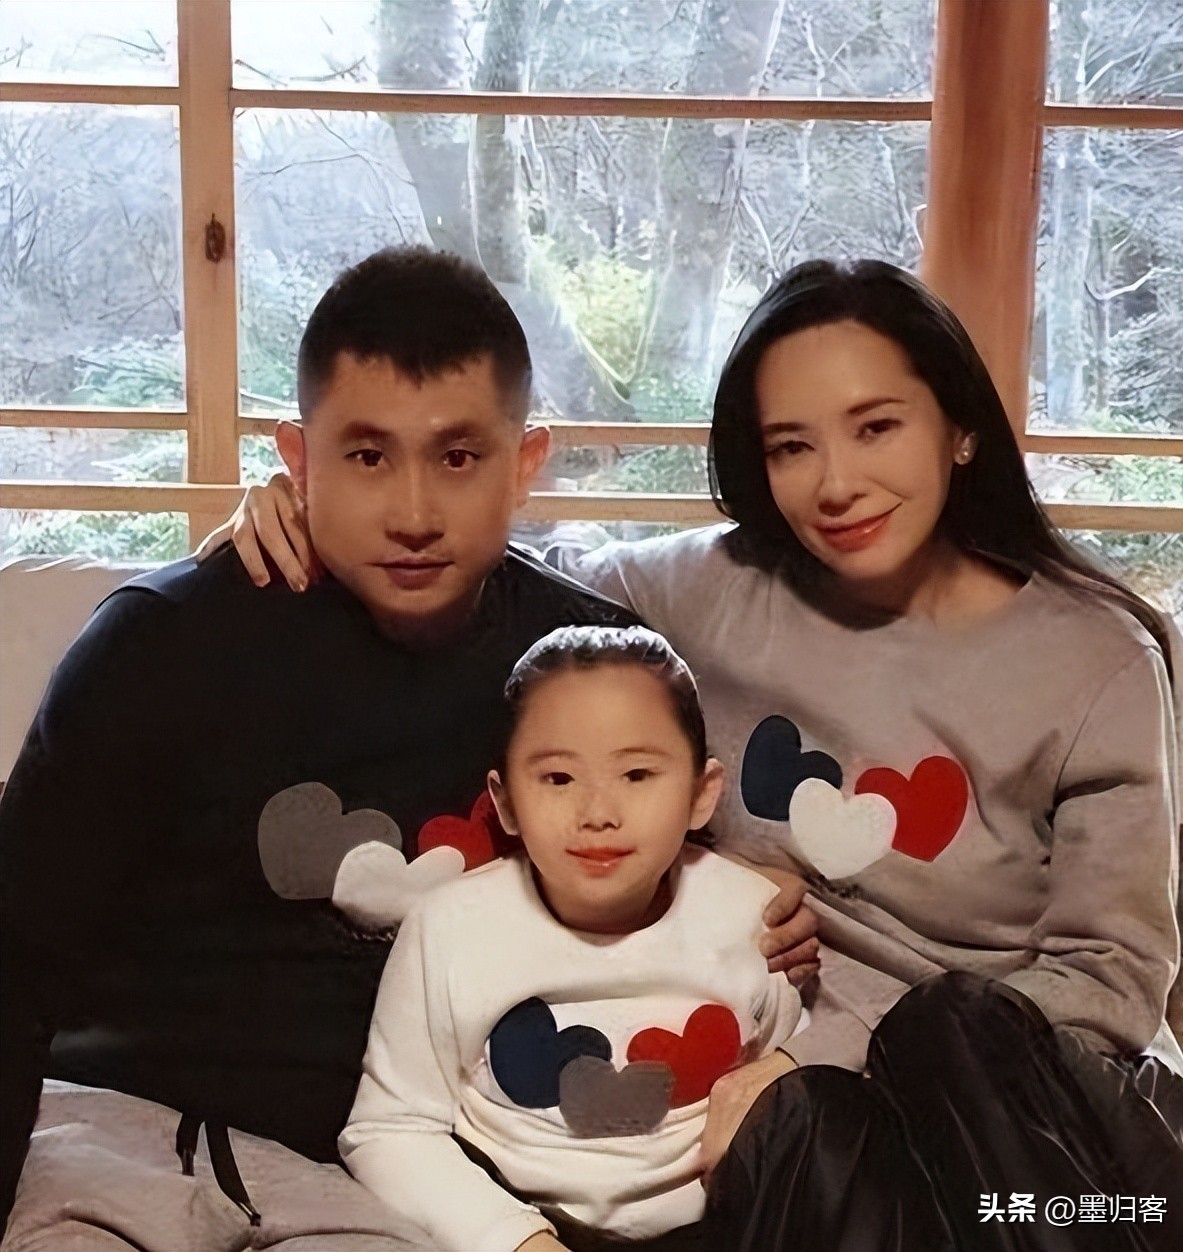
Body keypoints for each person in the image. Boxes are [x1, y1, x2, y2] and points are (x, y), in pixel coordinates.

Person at [215, 258, 1183, 1250]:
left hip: (1033, 1122)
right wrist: (307, 509)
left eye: (875, 427)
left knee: (940, 1026)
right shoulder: (703, 595)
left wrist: (845, 1054)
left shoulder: (1097, 654)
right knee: (795, 1137)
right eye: (790, 446)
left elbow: (1112, 979)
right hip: (811, 1113)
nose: (836, 483)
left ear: (961, 428)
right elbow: (481, 568)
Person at [0, 245, 818, 1247]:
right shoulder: (161, 642)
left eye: (459, 457)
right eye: (366, 456)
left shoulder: (585, 668)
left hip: (396, 1177)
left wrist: (756, 910)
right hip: (126, 1127)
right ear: (298, 459)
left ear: (525, 464)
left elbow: (676, 882)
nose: (415, 514)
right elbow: (16, 955)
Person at [340, 625, 806, 1252]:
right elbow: (388, 1129)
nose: (597, 814)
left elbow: (797, 1085)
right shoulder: (448, 926)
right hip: (521, 1222)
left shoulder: (751, 913)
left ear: (702, 794)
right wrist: (516, 1239)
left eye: (637, 774)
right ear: (506, 803)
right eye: (558, 779)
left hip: (727, 1223)